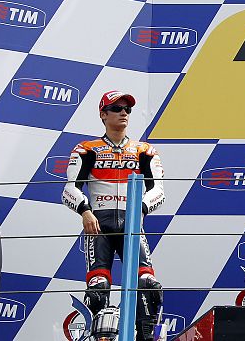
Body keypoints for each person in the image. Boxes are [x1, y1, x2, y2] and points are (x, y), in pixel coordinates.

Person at [62, 91, 165, 341]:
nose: (123, 113)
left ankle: (146, 336)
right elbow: (69, 188)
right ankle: (101, 337)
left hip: (132, 224)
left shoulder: (144, 150)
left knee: (148, 285)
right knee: (98, 289)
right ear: (103, 114)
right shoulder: (87, 149)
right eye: (117, 108)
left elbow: (159, 190)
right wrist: (85, 211)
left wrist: (139, 208)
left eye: (127, 109)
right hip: (99, 224)